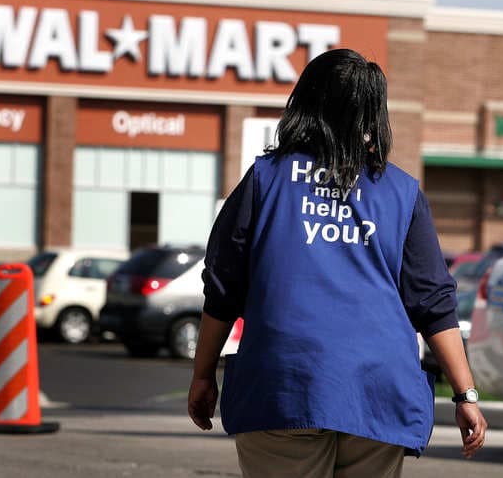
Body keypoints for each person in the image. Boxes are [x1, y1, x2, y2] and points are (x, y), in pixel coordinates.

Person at [188, 48, 487, 477]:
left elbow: (223, 287)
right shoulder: (401, 193)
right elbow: (433, 301)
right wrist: (466, 396)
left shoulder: (265, 180)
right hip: (377, 393)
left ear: (305, 102)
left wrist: (203, 375)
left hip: (286, 386)